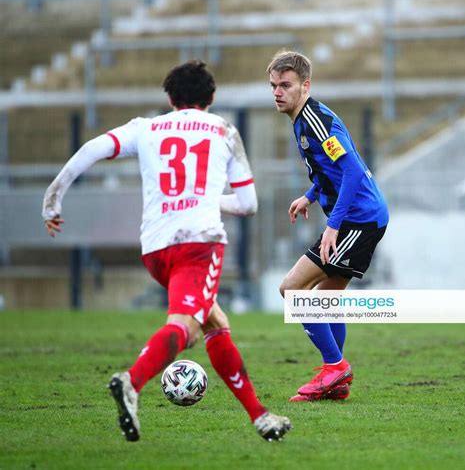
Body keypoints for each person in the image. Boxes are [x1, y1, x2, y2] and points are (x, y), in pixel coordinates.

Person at [43, 60, 291, 442]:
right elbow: (248, 205)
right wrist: (206, 199)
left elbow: (92, 149)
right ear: (211, 98)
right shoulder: (224, 131)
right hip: (198, 245)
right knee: (185, 327)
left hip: (156, 250)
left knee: (215, 323)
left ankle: (260, 416)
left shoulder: (146, 128)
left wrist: (54, 196)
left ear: (171, 98)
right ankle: (132, 381)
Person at [267, 51, 389, 402]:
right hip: (362, 215)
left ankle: (334, 366)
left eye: (285, 85)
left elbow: (351, 171)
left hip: (358, 218)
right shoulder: (305, 119)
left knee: (292, 290)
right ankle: (336, 381)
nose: (278, 92)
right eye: (273, 85)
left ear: (305, 86)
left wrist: (333, 226)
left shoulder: (314, 119)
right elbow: (332, 169)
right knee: (326, 300)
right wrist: (310, 195)